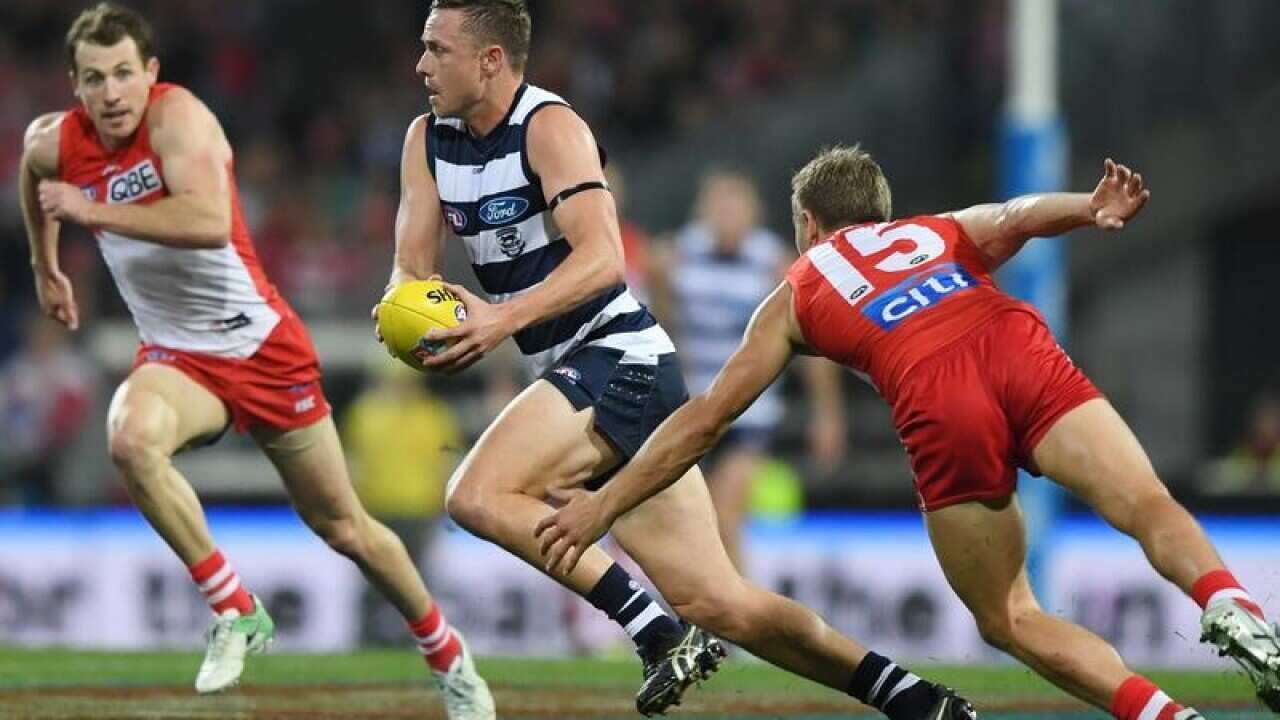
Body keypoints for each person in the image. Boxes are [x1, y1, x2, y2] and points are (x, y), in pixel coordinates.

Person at [536, 146, 1280, 718]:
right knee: (1146, 501)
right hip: (1012, 343)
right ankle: (1230, 601)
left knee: (1010, 615)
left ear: (807, 226)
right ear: (880, 210)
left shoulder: (795, 291)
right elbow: (1018, 215)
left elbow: (702, 422)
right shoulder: (932, 230)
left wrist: (603, 507)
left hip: (936, 392)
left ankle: (1161, 713)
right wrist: (1090, 207)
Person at [388, 3, 974, 718]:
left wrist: (498, 320)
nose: (421, 66)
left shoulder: (550, 128)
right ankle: (913, 698)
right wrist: (416, 324)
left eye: (436, 49)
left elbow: (604, 261)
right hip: (584, 375)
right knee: (722, 600)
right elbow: (410, 277)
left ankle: (655, 631)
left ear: (490, 60)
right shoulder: (427, 141)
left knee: (475, 496)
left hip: (617, 356)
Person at [18, 5, 494, 718]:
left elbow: (206, 222)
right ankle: (236, 607)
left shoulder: (180, 122)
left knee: (345, 530)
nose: (112, 92)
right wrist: (43, 263)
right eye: (95, 79)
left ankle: (447, 653)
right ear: (75, 87)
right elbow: (35, 175)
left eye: (124, 73)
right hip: (179, 357)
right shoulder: (55, 142)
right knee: (130, 440)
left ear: (150, 73)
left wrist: (89, 213)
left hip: (262, 349)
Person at [653, 168, 844, 570]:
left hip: (748, 409)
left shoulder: (774, 264)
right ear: (702, 211)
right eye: (718, 206)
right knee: (688, 524)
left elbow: (812, 345)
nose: (726, 215)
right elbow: (662, 326)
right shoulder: (677, 257)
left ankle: (741, 624)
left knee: (724, 516)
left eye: (735, 206)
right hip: (691, 406)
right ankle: (709, 617)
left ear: (753, 212)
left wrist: (826, 414)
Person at [342, 358, 462, 645]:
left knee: (416, 584)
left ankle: (421, 641)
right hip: (378, 508)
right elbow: (352, 464)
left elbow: (445, 465)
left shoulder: (432, 415)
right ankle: (368, 640)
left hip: (417, 510)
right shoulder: (365, 414)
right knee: (374, 584)